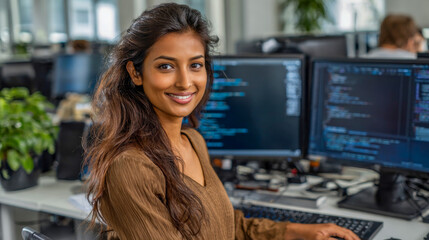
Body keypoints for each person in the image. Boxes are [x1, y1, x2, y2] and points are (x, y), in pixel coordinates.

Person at [85, 3, 360, 240]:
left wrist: (297, 232)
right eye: (166, 66)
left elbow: (223, 225)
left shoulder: (192, 141)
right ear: (135, 72)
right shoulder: (132, 167)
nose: (185, 82)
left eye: (195, 64)